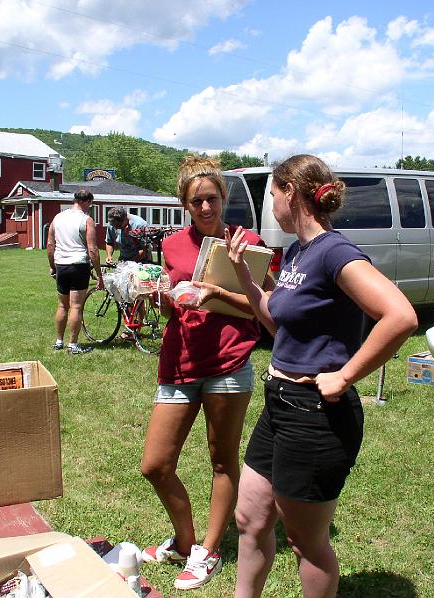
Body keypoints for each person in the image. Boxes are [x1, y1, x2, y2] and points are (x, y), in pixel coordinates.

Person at [226, 155, 418, 598]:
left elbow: (401, 316)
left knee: (305, 541)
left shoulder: (335, 252)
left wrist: (345, 376)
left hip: (316, 414)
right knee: (250, 519)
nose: (271, 203)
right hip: (279, 404)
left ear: (291, 193)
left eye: (273, 194)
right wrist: (243, 275)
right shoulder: (298, 252)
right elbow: (276, 322)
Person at [139, 155, 274, 590]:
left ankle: (210, 549)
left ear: (223, 198)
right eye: (196, 201)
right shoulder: (172, 245)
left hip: (228, 362)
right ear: (185, 203)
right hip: (179, 360)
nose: (205, 208)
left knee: (222, 458)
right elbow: (172, 307)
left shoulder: (246, 243)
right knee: (155, 465)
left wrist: (215, 293)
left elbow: (263, 308)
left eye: (212, 198)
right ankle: (185, 540)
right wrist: (161, 297)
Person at [47, 189, 104, 355]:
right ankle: (73, 345)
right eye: (90, 204)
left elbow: (50, 245)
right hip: (78, 265)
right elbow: (92, 249)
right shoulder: (86, 220)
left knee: (62, 305)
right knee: (76, 307)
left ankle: (59, 341)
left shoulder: (58, 217)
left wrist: (52, 266)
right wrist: (99, 274)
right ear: (87, 202)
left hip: (61, 265)